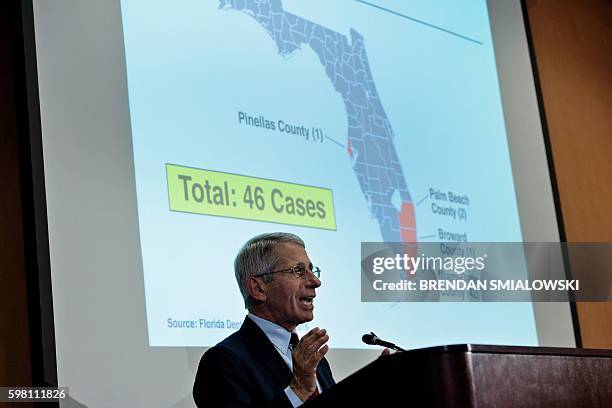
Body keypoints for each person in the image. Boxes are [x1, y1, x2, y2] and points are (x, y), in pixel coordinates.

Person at [193, 232, 335, 407]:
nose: (315, 281)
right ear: (258, 288)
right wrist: (297, 390)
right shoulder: (223, 362)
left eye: (311, 270)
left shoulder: (313, 361)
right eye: (298, 271)